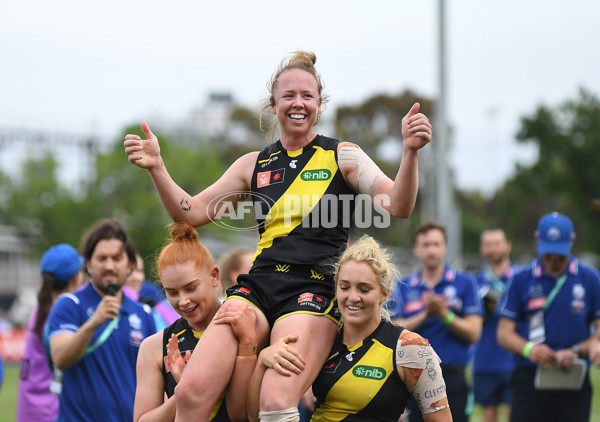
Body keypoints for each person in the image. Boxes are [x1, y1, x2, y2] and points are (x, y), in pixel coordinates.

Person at [124, 50, 432, 421]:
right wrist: (157, 167)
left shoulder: (343, 156)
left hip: (313, 288)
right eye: (289, 96)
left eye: (307, 96)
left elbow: (397, 204)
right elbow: (191, 211)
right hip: (257, 286)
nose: (298, 104)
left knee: (273, 401)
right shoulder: (253, 164)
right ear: (274, 104)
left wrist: (410, 153)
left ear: (320, 104)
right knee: (191, 392)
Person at [248, 235, 451, 422]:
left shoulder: (412, 348)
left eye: (364, 289)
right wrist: (262, 362)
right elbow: (256, 416)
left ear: (384, 294)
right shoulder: (320, 338)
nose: (353, 297)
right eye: (344, 287)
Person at [47, 219, 157, 421]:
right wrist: (93, 322)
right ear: (88, 265)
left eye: (116, 258)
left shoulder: (144, 315)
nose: (109, 265)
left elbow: (157, 380)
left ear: (130, 265)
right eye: (101, 258)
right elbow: (60, 358)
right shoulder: (69, 305)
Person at [496, 212, 600, 422]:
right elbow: (504, 333)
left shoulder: (589, 278)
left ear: (572, 240)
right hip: (528, 378)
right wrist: (530, 349)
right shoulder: (521, 278)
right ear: (537, 239)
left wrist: (577, 350)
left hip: (573, 377)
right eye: (548, 253)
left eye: (559, 254)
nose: (553, 260)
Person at [390, 221, 483, 422]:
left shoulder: (465, 282)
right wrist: (426, 314)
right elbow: (394, 331)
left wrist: (445, 315)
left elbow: (474, 332)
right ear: (416, 249)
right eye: (426, 245)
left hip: (454, 377)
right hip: (413, 376)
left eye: (436, 244)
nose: (431, 250)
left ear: (445, 247)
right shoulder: (403, 285)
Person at [16, 244, 83, 422]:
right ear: (76, 278)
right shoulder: (62, 315)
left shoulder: (41, 309)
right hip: (51, 411)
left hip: (29, 411)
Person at [472, 229, 516, 422]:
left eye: (497, 243)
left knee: (516, 414)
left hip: (515, 359)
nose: (493, 248)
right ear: (482, 249)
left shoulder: (520, 277)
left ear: (508, 246)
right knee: (488, 415)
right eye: (488, 244)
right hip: (485, 360)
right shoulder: (476, 281)